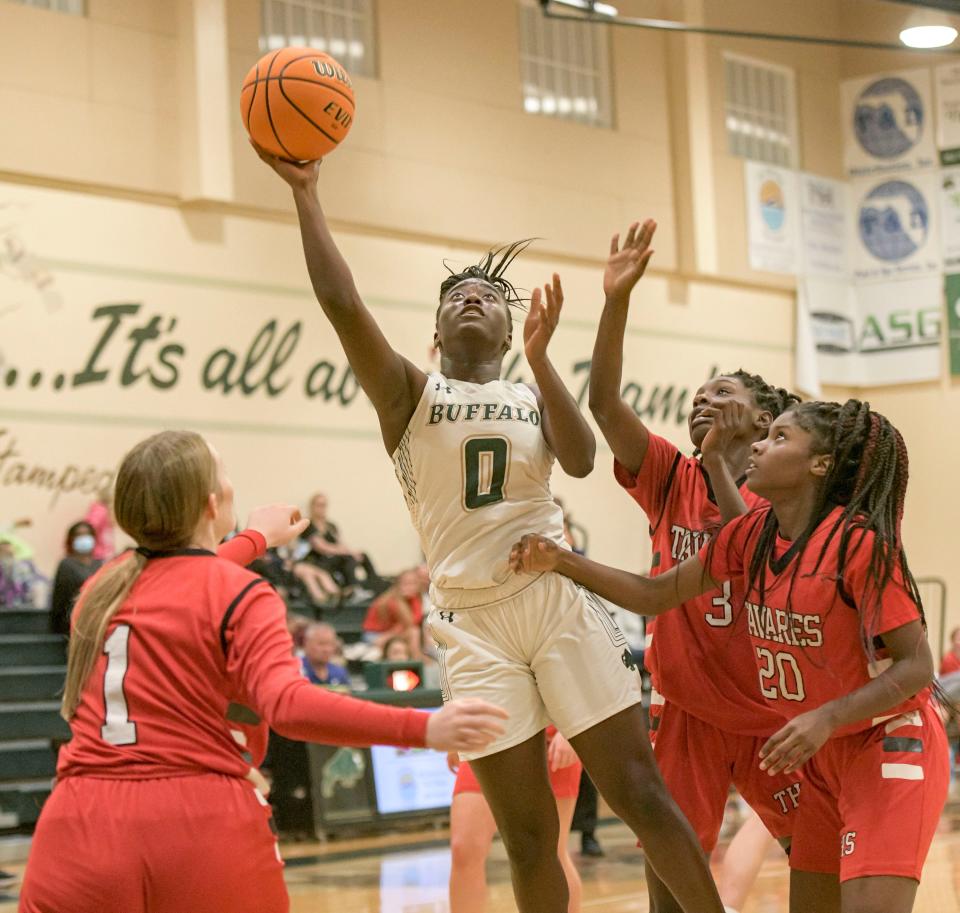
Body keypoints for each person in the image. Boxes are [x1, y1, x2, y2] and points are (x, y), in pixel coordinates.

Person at [253, 142, 727, 913]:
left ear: (509, 330)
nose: (472, 298)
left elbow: (577, 459)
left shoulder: (531, 391)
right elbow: (343, 304)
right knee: (529, 837)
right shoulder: (409, 391)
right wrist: (307, 194)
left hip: (554, 599)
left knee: (640, 793)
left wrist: (542, 360)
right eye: (456, 296)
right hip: (471, 625)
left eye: (489, 295)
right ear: (437, 331)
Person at [18, 430, 507, 913]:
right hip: (195, 821)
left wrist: (255, 539)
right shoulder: (244, 593)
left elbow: (179, 579)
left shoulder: (102, 587)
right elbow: (288, 705)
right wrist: (425, 726)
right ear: (213, 504)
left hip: (77, 824)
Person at [511, 399, 949, 913]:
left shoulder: (859, 544)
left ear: (821, 465)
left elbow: (918, 666)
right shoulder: (752, 536)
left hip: (886, 742)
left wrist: (825, 717)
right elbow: (655, 595)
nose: (760, 445)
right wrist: (560, 560)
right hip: (823, 756)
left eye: (780, 438)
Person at [588, 220, 803, 912]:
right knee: (670, 890)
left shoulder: (791, 494)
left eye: (719, 391)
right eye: (696, 395)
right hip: (685, 714)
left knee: (826, 864)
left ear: (763, 417)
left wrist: (717, 462)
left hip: (776, 715)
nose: (700, 400)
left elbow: (756, 547)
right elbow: (603, 403)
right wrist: (616, 299)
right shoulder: (667, 476)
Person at [448, 727, 582, 913]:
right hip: (488, 734)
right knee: (464, 848)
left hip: (549, 733)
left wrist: (571, 731)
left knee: (550, 853)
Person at [302, 492, 379, 599]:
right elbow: (321, 547)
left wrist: (352, 552)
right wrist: (347, 553)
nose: (322, 508)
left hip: (335, 558)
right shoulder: (308, 525)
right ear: (312, 506)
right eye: (319, 505)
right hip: (318, 561)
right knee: (347, 558)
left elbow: (341, 543)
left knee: (362, 555)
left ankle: (375, 584)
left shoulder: (331, 525)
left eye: (324, 505)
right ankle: (353, 589)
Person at [49, 522, 103, 635]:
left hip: (98, 623)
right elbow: (59, 599)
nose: (84, 538)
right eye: (79, 535)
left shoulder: (100, 564)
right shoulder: (66, 564)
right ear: (71, 539)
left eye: (87, 534)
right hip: (74, 625)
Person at [363, 569, 424, 658]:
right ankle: (417, 659)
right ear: (398, 585)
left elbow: (415, 621)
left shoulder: (415, 599)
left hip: (390, 634)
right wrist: (401, 601)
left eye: (413, 583)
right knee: (413, 632)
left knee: (414, 632)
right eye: (405, 583)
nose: (409, 587)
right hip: (374, 635)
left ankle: (417, 659)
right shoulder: (390, 600)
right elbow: (407, 624)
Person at [300, 622, 351, 687]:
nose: (326, 650)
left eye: (330, 644)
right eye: (321, 644)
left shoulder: (340, 672)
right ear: (306, 643)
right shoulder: (296, 670)